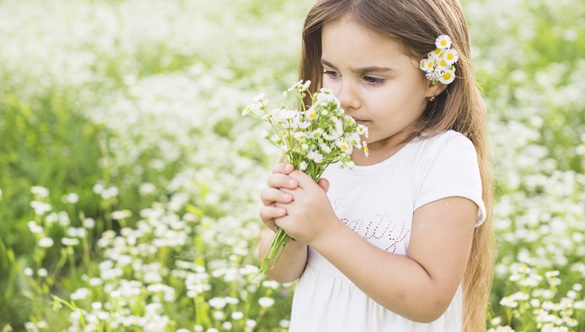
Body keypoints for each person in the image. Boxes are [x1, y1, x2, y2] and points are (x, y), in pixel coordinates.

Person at [257, 0, 495, 330]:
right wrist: (288, 232)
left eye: (371, 78)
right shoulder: (317, 148)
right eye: (332, 73)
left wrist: (326, 232)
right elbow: (280, 272)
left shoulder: (442, 157)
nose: (344, 97)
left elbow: (429, 300)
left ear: (434, 80)